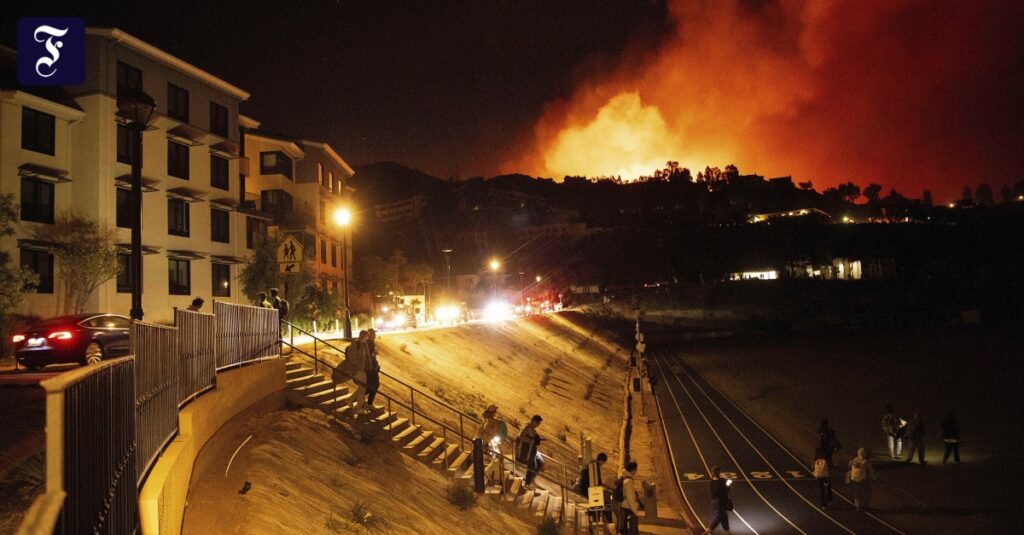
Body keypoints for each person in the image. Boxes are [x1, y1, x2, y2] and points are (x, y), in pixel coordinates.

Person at [334, 330, 369, 415]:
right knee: (363, 387)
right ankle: (357, 408)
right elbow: (352, 357)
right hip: (355, 369)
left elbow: (366, 357)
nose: (367, 338)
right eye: (366, 336)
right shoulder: (355, 344)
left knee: (363, 388)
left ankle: (350, 400)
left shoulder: (364, 344)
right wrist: (356, 367)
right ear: (363, 335)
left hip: (360, 369)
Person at [577, 453, 612, 523]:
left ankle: (591, 514)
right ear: (601, 460)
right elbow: (597, 481)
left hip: (585, 487)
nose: (603, 464)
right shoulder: (595, 466)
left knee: (596, 503)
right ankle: (597, 519)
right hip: (588, 488)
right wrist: (605, 486)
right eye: (604, 462)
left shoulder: (592, 464)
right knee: (599, 502)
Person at [472, 404, 500, 492]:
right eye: (495, 410)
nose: (496, 412)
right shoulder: (489, 421)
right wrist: (487, 444)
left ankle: (497, 478)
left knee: (498, 458)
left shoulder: (488, 420)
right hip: (487, 443)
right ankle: (487, 472)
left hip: (489, 442)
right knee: (498, 458)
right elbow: (486, 433)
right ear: (492, 412)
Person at [515, 415, 543, 489]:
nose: (538, 425)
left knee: (539, 463)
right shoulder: (526, 428)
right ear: (534, 422)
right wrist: (532, 440)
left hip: (530, 452)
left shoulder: (531, 429)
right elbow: (520, 438)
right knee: (533, 466)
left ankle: (530, 480)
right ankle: (528, 483)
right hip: (525, 452)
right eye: (538, 423)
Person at [616, 461, 642, 535]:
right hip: (628, 508)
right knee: (631, 530)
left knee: (625, 529)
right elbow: (630, 498)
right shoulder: (628, 481)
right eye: (636, 470)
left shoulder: (624, 478)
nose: (636, 472)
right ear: (633, 470)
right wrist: (635, 511)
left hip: (624, 507)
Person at [704, 466, 732, 534]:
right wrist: (728, 485)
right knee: (719, 516)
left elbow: (714, 490)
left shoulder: (712, 480)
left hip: (714, 500)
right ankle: (709, 530)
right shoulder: (721, 480)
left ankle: (727, 531)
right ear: (719, 472)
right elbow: (724, 491)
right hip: (720, 501)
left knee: (724, 515)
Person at [364, 329, 380, 412]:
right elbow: (369, 357)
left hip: (372, 368)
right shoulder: (368, 343)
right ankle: (358, 398)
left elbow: (373, 356)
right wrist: (374, 366)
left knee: (373, 385)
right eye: (373, 333)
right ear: (369, 334)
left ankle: (366, 402)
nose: (375, 335)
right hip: (370, 369)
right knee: (374, 385)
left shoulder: (371, 343)